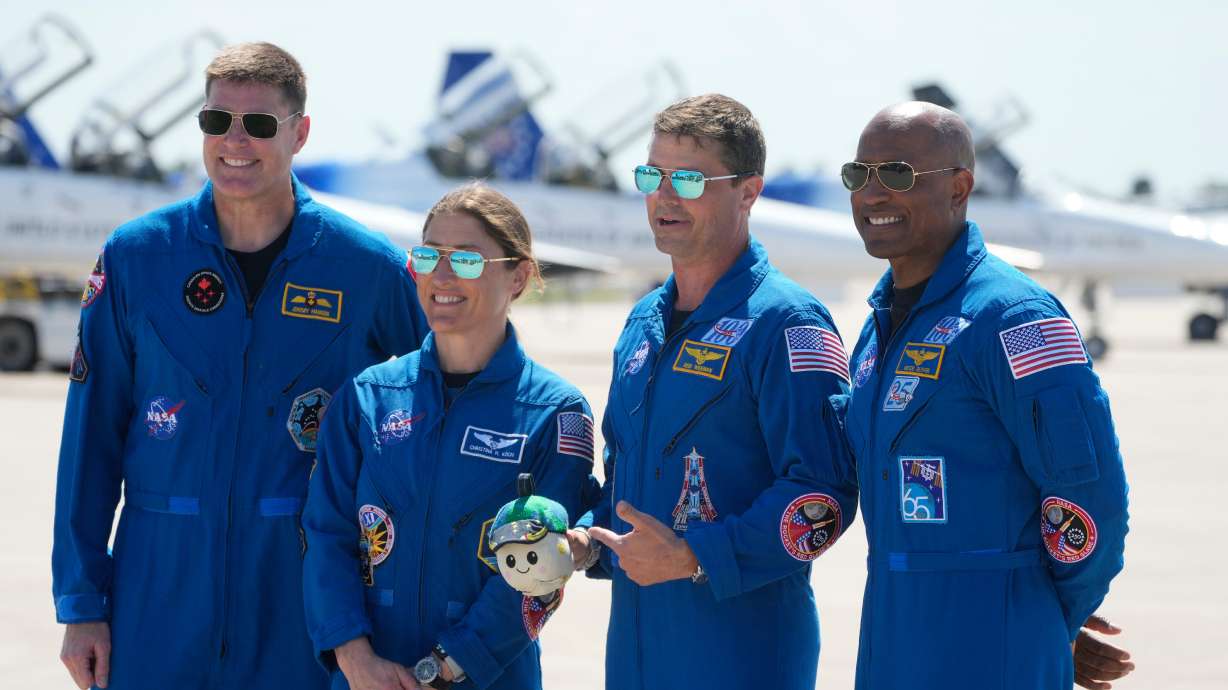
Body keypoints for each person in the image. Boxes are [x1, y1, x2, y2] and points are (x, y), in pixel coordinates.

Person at [52, 43, 428, 690]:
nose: (234, 142)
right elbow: (90, 440)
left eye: (258, 125)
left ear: (300, 133)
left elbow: (432, 412)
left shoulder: (365, 270)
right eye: (215, 122)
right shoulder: (137, 259)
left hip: (305, 597)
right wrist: (82, 605)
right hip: (157, 596)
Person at [839, 101, 1131, 689]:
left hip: (992, 645)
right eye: (858, 175)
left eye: (896, 174)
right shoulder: (879, 328)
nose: (872, 195)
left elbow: (1086, 492)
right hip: (893, 634)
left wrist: (1048, 618)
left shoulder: (1013, 317)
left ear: (960, 187)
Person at [573, 94, 859, 689]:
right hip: (636, 655)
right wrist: (586, 538)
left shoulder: (788, 323)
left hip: (741, 655)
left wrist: (694, 557)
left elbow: (823, 496)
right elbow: (628, 477)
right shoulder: (641, 324)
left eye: (689, 178)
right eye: (652, 174)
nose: (665, 195)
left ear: (749, 192)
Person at [302, 185, 600, 690]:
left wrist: (443, 670)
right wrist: (354, 658)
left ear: (519, 275)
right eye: (428, 256)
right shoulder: (366, 397)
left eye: (465, 260)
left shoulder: (556, 412)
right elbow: (325, 534)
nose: (441, 276)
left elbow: (540, 571)